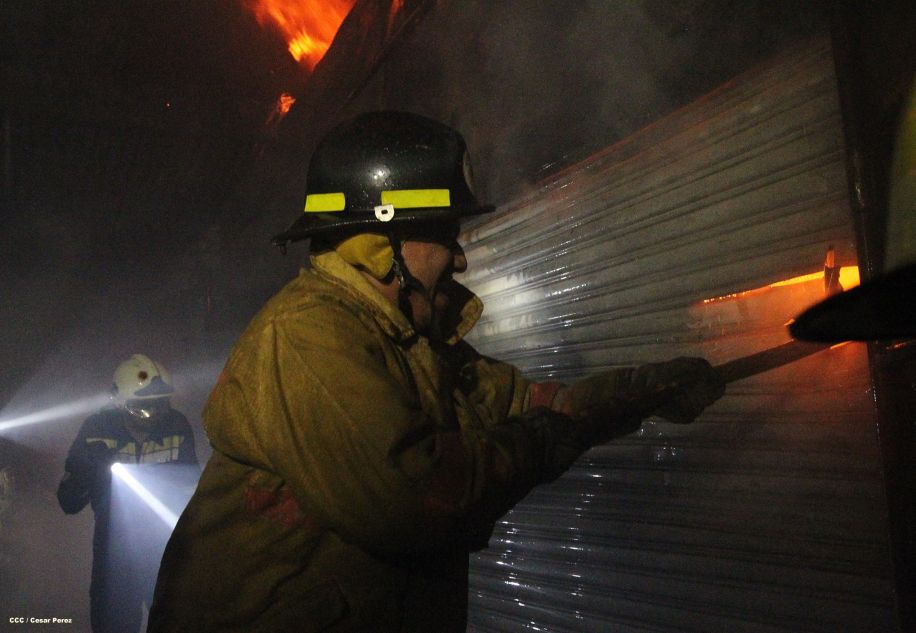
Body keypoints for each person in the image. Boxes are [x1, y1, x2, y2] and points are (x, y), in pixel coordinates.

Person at [148, 111, 724, 632]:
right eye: (445, 231)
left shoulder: (406, 340)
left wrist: (645, 392)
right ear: (381, 241)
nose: (461, 256)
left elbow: (532, 404)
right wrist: (545, 441)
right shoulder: (307, 335)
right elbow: (411, 501)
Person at [57, 353, 198, 633]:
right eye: (142, 408)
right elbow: (68, 501)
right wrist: (91, 469)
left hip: (166, 552)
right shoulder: (96, 430)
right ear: (119, 404)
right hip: (114, 555)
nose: (153, 416)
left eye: (160, 405)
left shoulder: (177, 426)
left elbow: (191, 491)